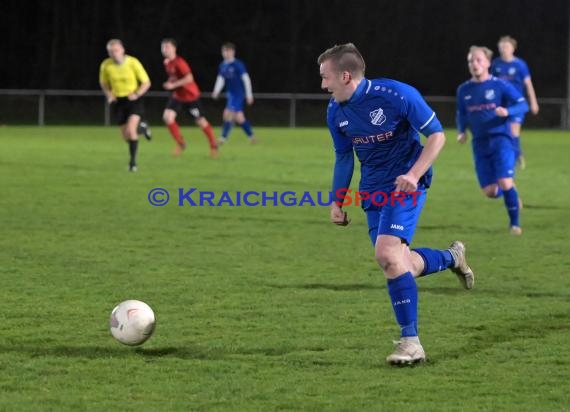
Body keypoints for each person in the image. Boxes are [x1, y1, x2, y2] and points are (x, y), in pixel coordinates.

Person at [318, 43, 474, 366]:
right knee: (401, 262)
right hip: (373, 191)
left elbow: (437, 135)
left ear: (345, 75)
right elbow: (343, 156)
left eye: (326, 77)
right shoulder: (336, 111)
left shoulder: (396, 95)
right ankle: (451, 257)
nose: (323, 85)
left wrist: (414, 174)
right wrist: (338, 200)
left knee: (386, 254)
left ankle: (411, 341)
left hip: (407, 184)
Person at [457, 46, 529, 235]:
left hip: (501, 140)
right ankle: (510, 193)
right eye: (471, 61)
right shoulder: (463, 90)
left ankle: (515, 225)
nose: (474, 64)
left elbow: (523, 104)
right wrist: (461, 131)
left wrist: (508, 111)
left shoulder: (500, 85)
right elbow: (462, 113)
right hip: (479, 144)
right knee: (490, 191)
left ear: (488, 63)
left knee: (505, 181)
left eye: (479, 60)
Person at [99, 39, 152, 172]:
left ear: (122, 50)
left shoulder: (133, 62)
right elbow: (103, 83)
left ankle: (133, 163)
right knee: (125, 135)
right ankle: (143, 129)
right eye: (110, 51)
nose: (113, 54)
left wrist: (137, 94)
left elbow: (146, 82)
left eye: (116, 50)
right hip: (118, 102)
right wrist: (109, 94)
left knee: (131, 129)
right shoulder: (106, 65)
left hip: (133, 99)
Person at [161, 38, 218, 158]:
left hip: (190, 96)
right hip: (178, 96)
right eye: (163, 47)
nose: (165, 49)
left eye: (167, 47)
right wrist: (170, 82)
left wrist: (173, 85)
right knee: (167, 117)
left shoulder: (180, 62)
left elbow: (189, 78)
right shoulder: (167, 62)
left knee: (200, 122)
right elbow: (175, 77)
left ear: (174, 48)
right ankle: (181, 143)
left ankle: (213, 146)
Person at [490, 36, 539, 169]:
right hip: (501, 104)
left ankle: (517, 156)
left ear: (513, 48)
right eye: (501, 47)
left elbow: (528, 84)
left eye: (506, 47)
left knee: (513, 130)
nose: (503, 49)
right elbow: (491, 83)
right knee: (503, 132)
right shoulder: (496, 64)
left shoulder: (520, 65)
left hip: (516, 104)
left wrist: (533, 102)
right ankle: (509, 154)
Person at [212, 42, 257, 145]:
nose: (226, 53)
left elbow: (246, 79)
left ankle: (223, 138)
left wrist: (249, 95)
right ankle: (252, 137)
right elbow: (221, 79)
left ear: (233, 52)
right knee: (239, 118)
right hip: (230, 95)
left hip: (238, 94)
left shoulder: (238, 64)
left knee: (228, 114)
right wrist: (216, 91)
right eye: (224, 51)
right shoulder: (223, 65)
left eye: (228, 51)